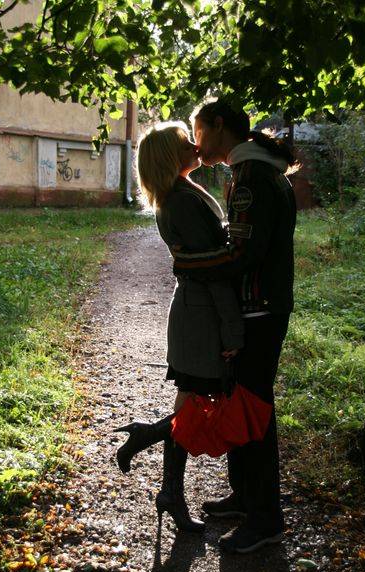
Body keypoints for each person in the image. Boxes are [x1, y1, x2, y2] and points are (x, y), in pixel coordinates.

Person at [172, 99, 297, 553]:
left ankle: (265, 519)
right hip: (258, 308)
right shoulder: (253, 171)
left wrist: (188, 263)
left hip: (260, 311)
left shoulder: (253, 177)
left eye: (198, 131)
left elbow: (242, 254)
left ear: (218, 126)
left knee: (253, 411)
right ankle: (245, 497)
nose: (195, 142)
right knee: (242, 403)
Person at [115, 121, 244, 533]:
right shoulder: (181, 201)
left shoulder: (181, 193)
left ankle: (167, 484)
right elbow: (213, 272)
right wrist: (232, 331)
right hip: (201, 318)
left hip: (196, 313)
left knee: (188, 403)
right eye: (186, 143)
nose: (196, 145)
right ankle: (159, 464)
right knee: (192, 406)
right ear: (171, 157)